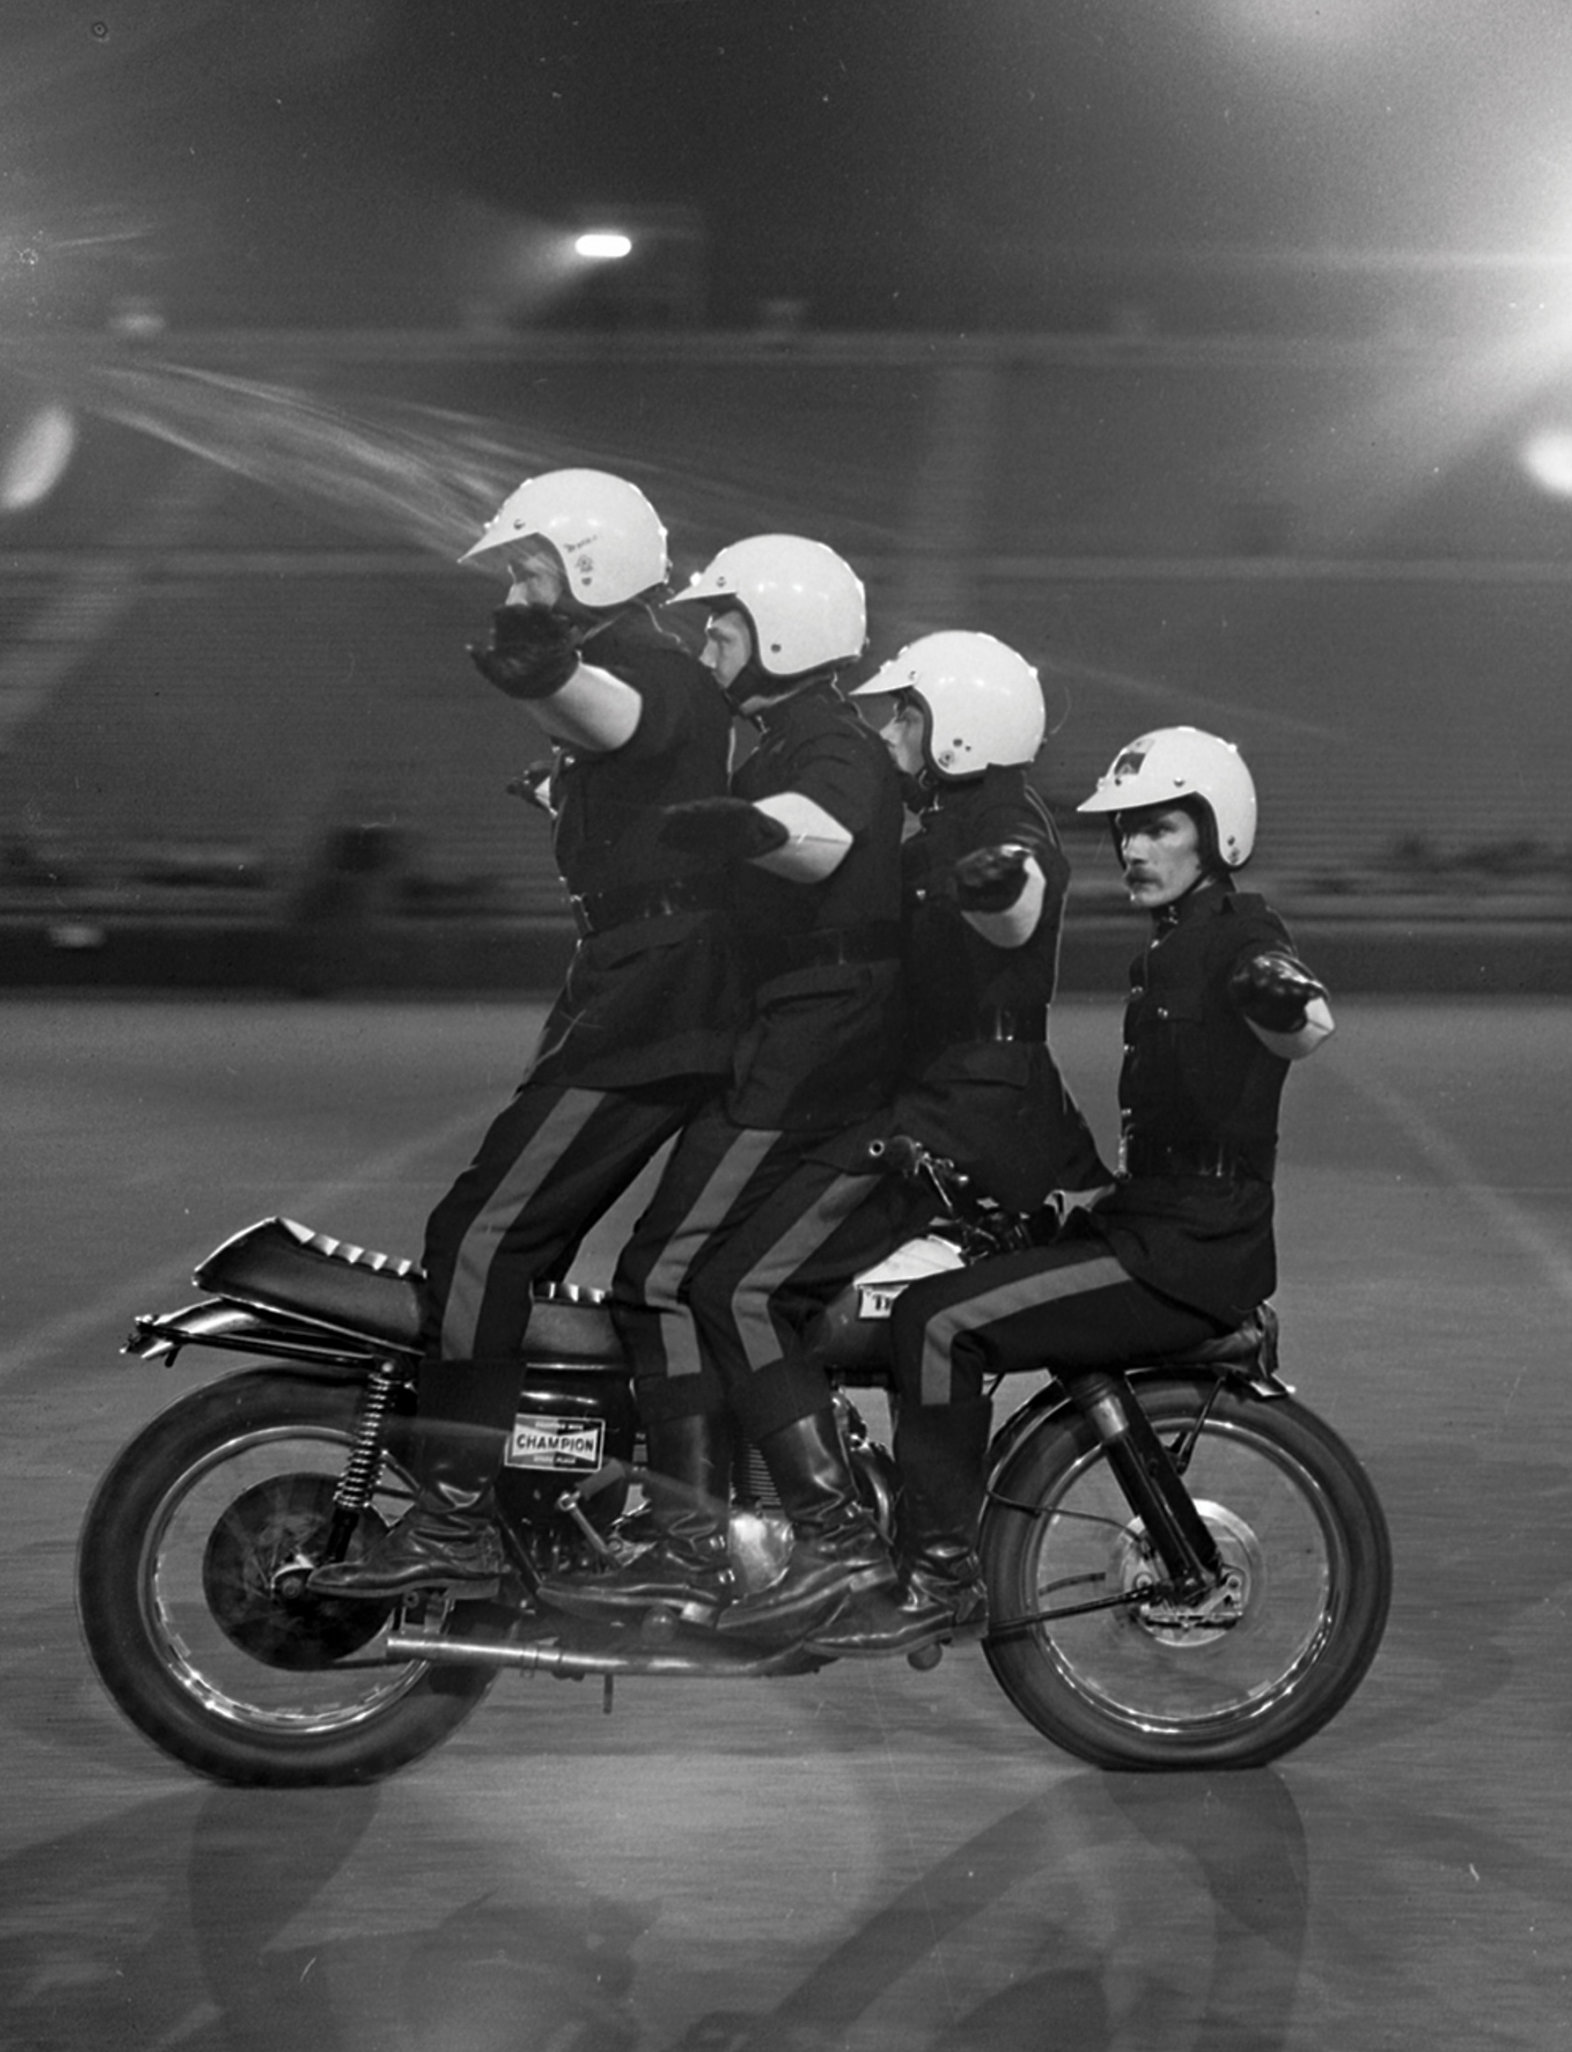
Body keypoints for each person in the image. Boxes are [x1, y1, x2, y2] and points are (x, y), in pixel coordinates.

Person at [797, 725, 1334, 1657]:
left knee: (939, 1322)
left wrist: (1283, 997)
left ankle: (940, 1573)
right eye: (1125, 831)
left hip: (1187, 1252)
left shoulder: (1240, 938)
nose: (1133, 849)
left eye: (1159, 828)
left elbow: (1295, 1008)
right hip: (1149, 1222)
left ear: (1215, 832)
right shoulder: (1165, 953)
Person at [617, 630, 1109, 1633]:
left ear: (961, 730)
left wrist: (997, 886)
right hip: (938, 1111)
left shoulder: (999, 823)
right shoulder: (934, 827)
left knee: (735, 1284)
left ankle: (832, 1538)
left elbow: (1017, 894)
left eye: (905, 715)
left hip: (951, 1124)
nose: (884, 730)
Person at [313, 469, 742, 1599]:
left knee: (485, 1239)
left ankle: (453, 1518)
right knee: (547, 1254)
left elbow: (617, 707)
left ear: (593, 560)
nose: (516, 583)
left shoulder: (650, 665)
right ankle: (553, 1482)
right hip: (639, 982)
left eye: (531, 562)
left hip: (656, 997)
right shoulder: (641, 669)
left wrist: (547, 677)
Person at [554, 535, 910, 1616]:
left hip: (812, 1041)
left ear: (785, 632)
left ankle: (781, 1534)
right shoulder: (772, 744)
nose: (706, 638)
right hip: (795, 1036)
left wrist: (748, 827)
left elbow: (819, 837)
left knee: (673, 1272)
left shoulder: (830, 744)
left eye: (725, 622)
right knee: (678, 1270)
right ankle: (707, 1528)